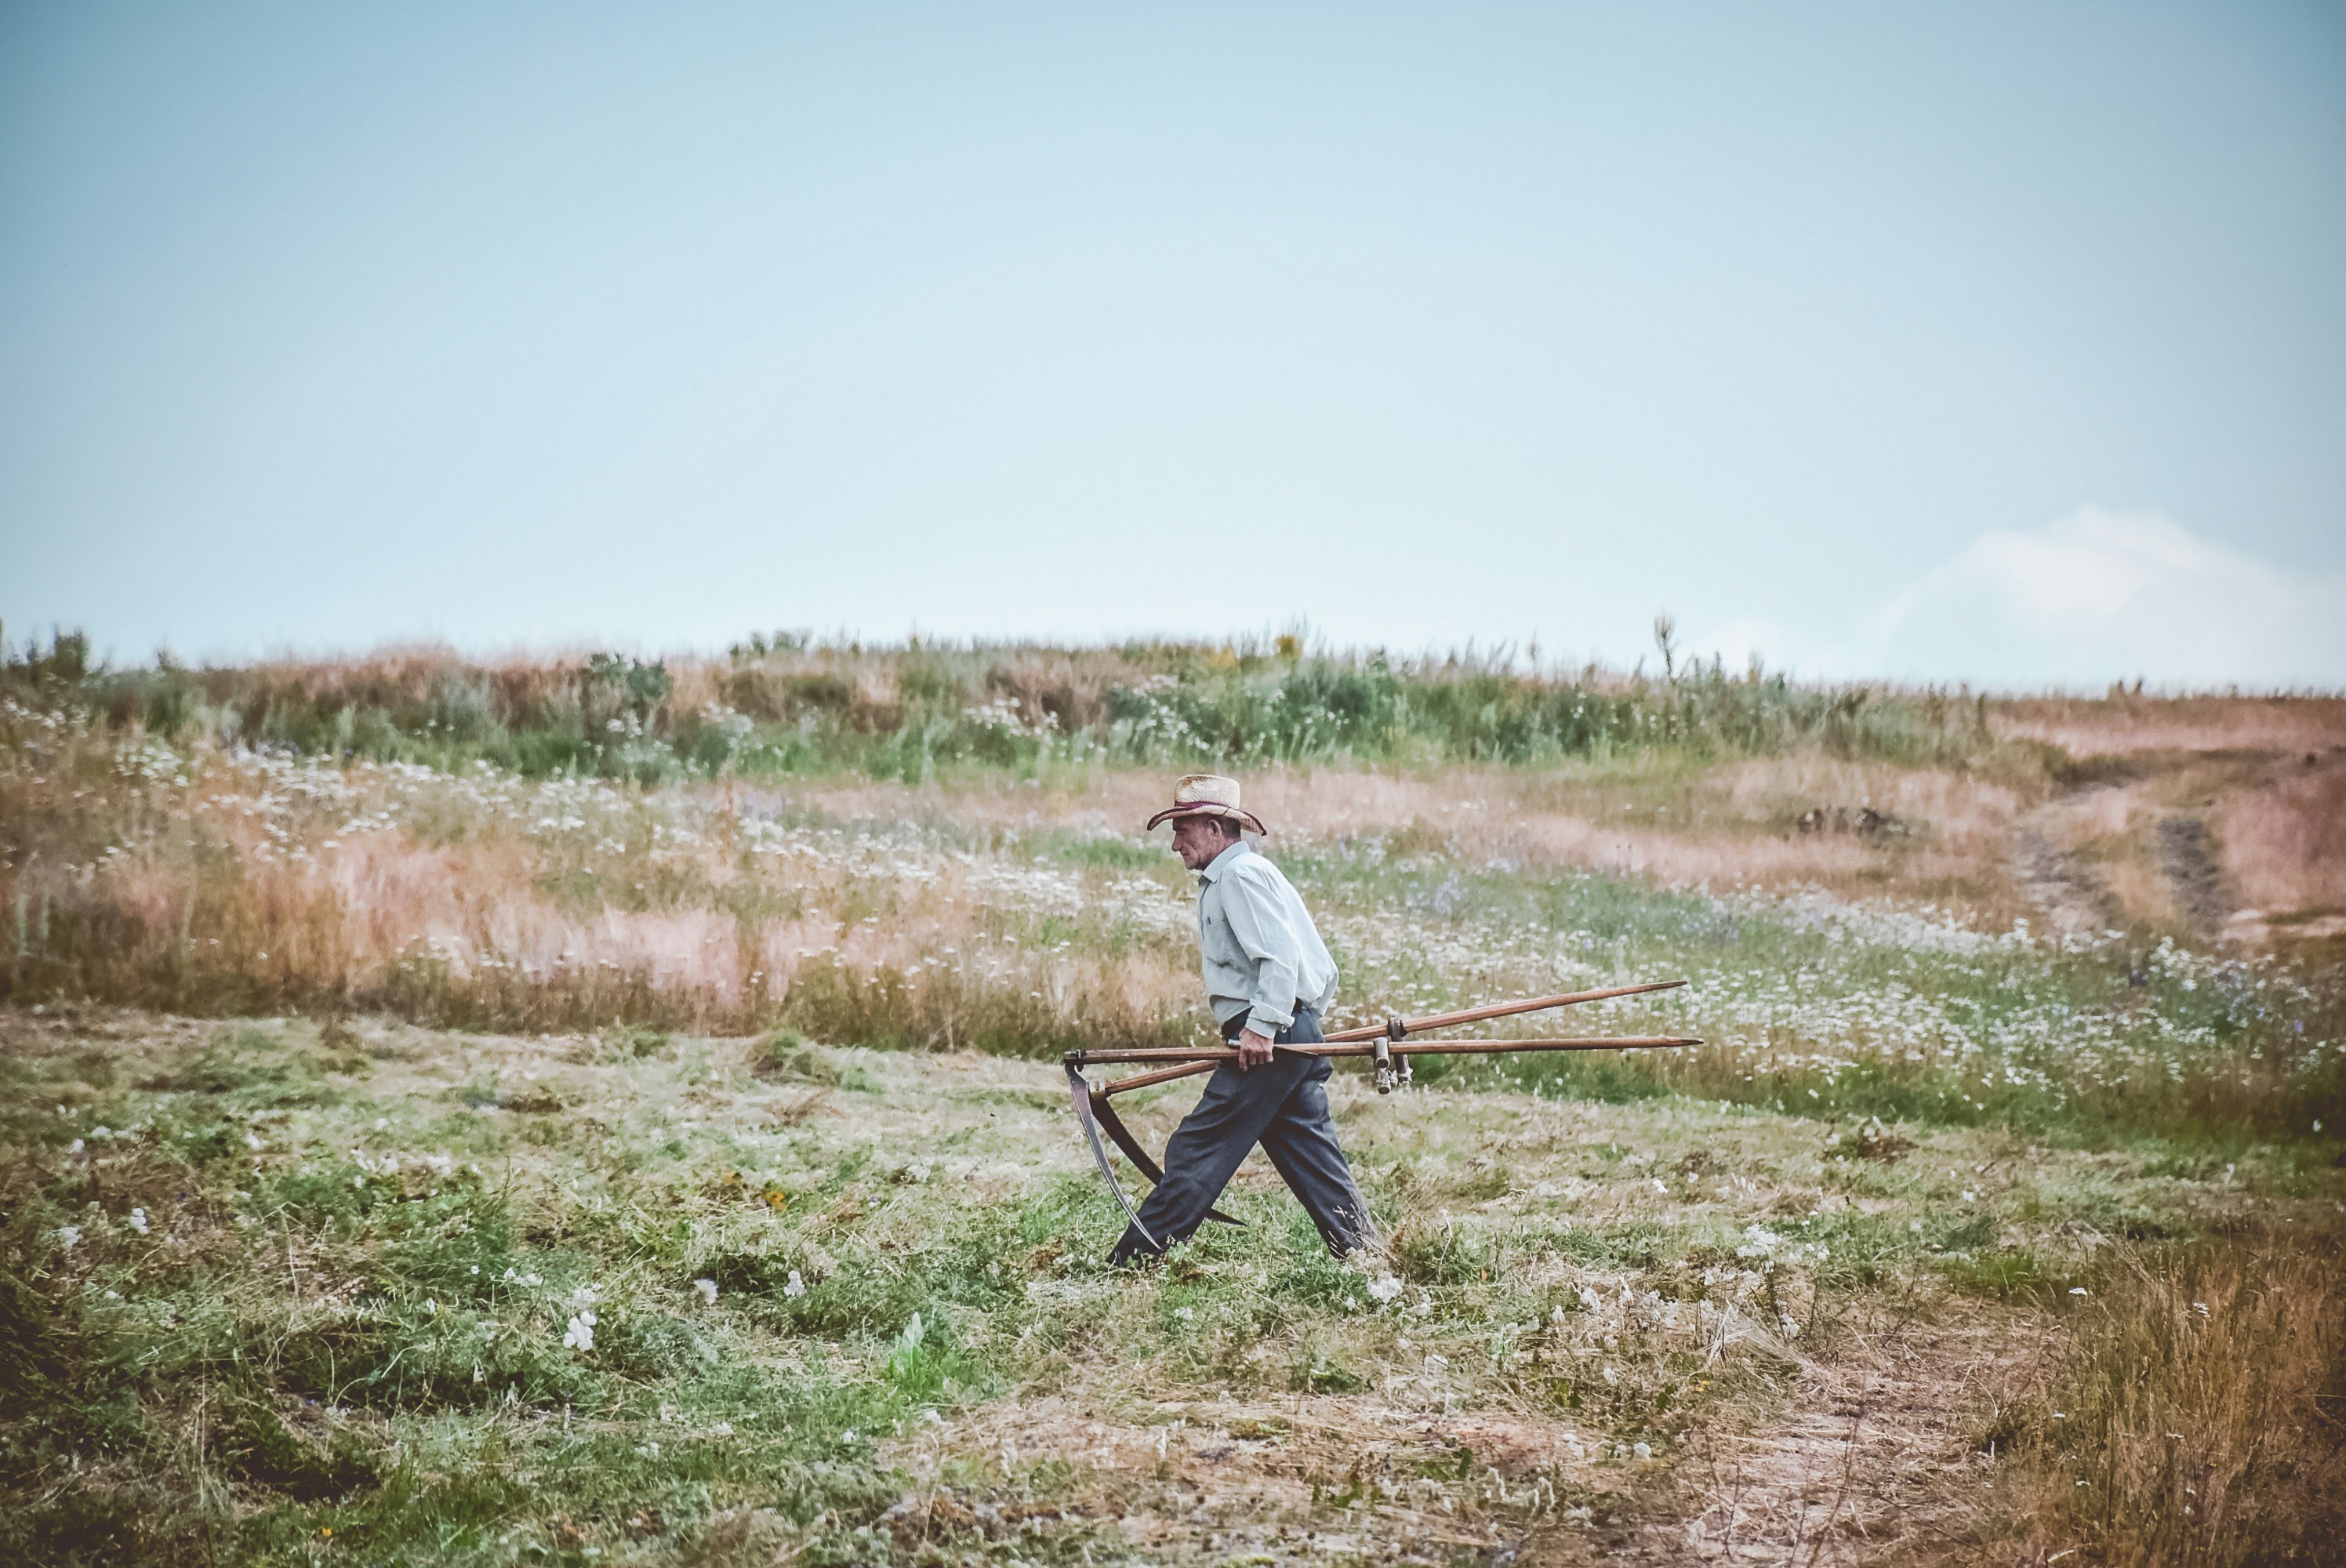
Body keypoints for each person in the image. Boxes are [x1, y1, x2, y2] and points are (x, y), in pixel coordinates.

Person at [1109, 774, 1376, 1265]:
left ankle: (1133, 1262)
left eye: (1181, 830)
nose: (1174, 844)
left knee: (1198, 1146)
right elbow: (1318, 966)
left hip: (1265, 1036)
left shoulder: (1239, 878)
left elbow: (1280, 959)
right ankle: (1367, 1254)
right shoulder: (1244, 875)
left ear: (1214, 829)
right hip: (1282, 1032)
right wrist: (1299, 1024)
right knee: (1310, 1155)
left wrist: (1265, 1026)